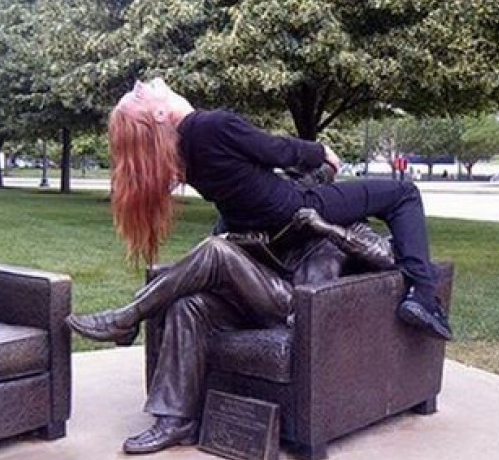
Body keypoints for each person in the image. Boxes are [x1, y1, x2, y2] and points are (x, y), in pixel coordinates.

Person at [101, 77, 451, 339]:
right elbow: (275, 150)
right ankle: (423, 295)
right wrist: (320, 152)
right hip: (294, 210)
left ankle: (132, 314)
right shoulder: (212, 125)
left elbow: (251, 179)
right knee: (403, 193)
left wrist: (317, 171)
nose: (145, 82)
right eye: (141, 92)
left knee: (343, 193)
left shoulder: (179, 155)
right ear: (160, 112)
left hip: (260, 223)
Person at [68, 201, 428, 454]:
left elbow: (387, 256)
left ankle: (127, 318)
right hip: (260, 299)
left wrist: (325, 227)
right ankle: (177, 421)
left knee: (215, 252)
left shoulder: (352, 223)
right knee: (188, 305)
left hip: (298, 308)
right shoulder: (279, 218)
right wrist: (249, 241)